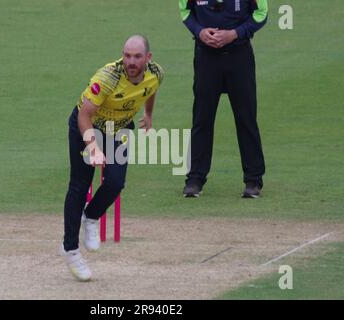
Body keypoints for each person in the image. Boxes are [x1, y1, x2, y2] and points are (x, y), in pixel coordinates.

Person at [61, 35, 164, 281]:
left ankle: (92, 215)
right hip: (87, 128)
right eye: (127, 55)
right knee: (79, 185)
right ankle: (70, 250)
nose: (131, 61)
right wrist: (94, 147)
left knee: (116, 182)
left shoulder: (156, 73)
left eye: (137, 57)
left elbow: (150, 90)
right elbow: (84, 116)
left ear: (148, 58)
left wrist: (148, 115)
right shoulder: (107, 78)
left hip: (118, 128)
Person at [179, 0, 268, 198]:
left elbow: (262, 13)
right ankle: (195, 179)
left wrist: (234, 34)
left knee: (246, 118)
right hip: (206, 58)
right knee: (202, 119)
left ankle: (253, 180)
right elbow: (185, 11)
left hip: (239, 57)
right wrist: (199, 31)